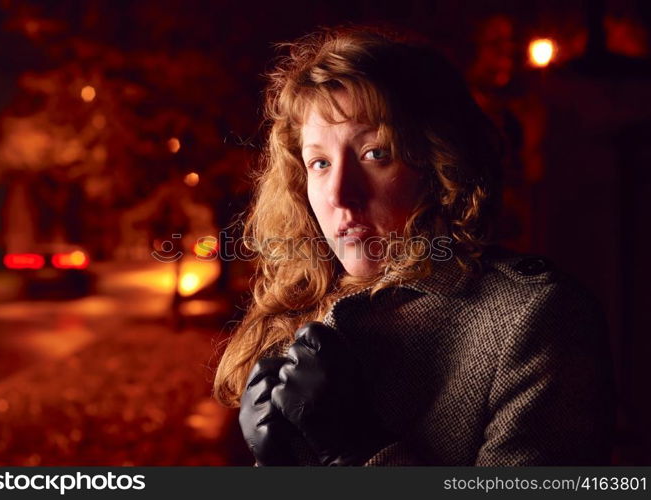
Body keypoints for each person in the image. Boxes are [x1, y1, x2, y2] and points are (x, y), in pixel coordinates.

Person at [213, 26, 615, 466]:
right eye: (320, 163)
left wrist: (360, 450)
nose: (340, 194)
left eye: (375, 154)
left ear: (440, 163)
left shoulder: (536, 317)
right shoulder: (296, 308)